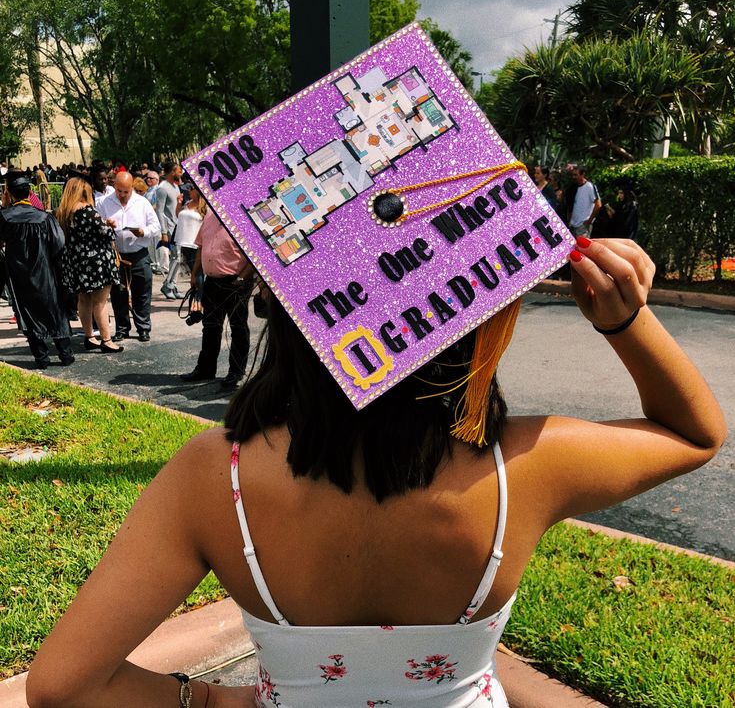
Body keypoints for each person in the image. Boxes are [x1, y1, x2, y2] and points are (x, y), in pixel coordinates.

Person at [26, 236, 726, 707]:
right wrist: (625, 319)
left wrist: (209, 697)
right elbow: (693, 435)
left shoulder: (217, 477)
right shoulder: (529, 462)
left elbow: (60, 686)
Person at [0, 170, 74, 368]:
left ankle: (41, 357)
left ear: (9, 193)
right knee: (54, 308)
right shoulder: (44, 217)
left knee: (28, 312)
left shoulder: (4, 217)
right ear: (29, 191)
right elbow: (59, 245)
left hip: (19, 274)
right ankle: (65, 354)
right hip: (45, 271)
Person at [180, 208, 253, 389]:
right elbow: (201, 246)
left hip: (236, 281)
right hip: (212, 281)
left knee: (238, 328)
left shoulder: (243, 218)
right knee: (210, 326)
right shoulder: (210, 215)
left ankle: (236, 372)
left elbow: (255, 254)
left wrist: (242, 278)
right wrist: (195, 273)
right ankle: (205, 369)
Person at [56, 172, 123, 354]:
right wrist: (109, 225)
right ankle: (107, 340)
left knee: (83, 300)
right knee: (100, 302)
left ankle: (89, 337)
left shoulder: (64, 212)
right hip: (96, 262)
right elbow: (107, 234)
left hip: (76, 261)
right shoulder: (87, 211)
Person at [97, 172, 160, 342]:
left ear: (132, 187)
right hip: (117, 254)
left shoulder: (142, 202)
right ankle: (122, 328)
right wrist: (106, 225)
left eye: (126, 192)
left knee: (142, 292)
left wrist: (143, 231)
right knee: (118, 293)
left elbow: (156, 227)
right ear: (114, 186)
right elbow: (96, 226)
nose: (122, 195)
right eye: (119, 191)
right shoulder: (104, 202)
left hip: (139, 253)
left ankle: (143, 328)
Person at [156, 161, 183, 287]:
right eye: (179, 171)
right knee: (176, 257)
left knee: (178, 257)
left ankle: (173, 284)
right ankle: (168, 285)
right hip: (169, 227)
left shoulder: (176, 186)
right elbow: (160, 211)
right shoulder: (162, 188)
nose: (181, 173)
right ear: (172, 172)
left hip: (177, 226)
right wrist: (163, 232)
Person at [568, 166, 601, 239]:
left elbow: (598, 205)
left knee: (582, 248)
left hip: (583, 226)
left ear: (582, 175)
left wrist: (589, 221)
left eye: (576, 175)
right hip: (573, 224)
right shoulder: (574, 187)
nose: (574, 177)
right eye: (573, 175)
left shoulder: (589, 186)